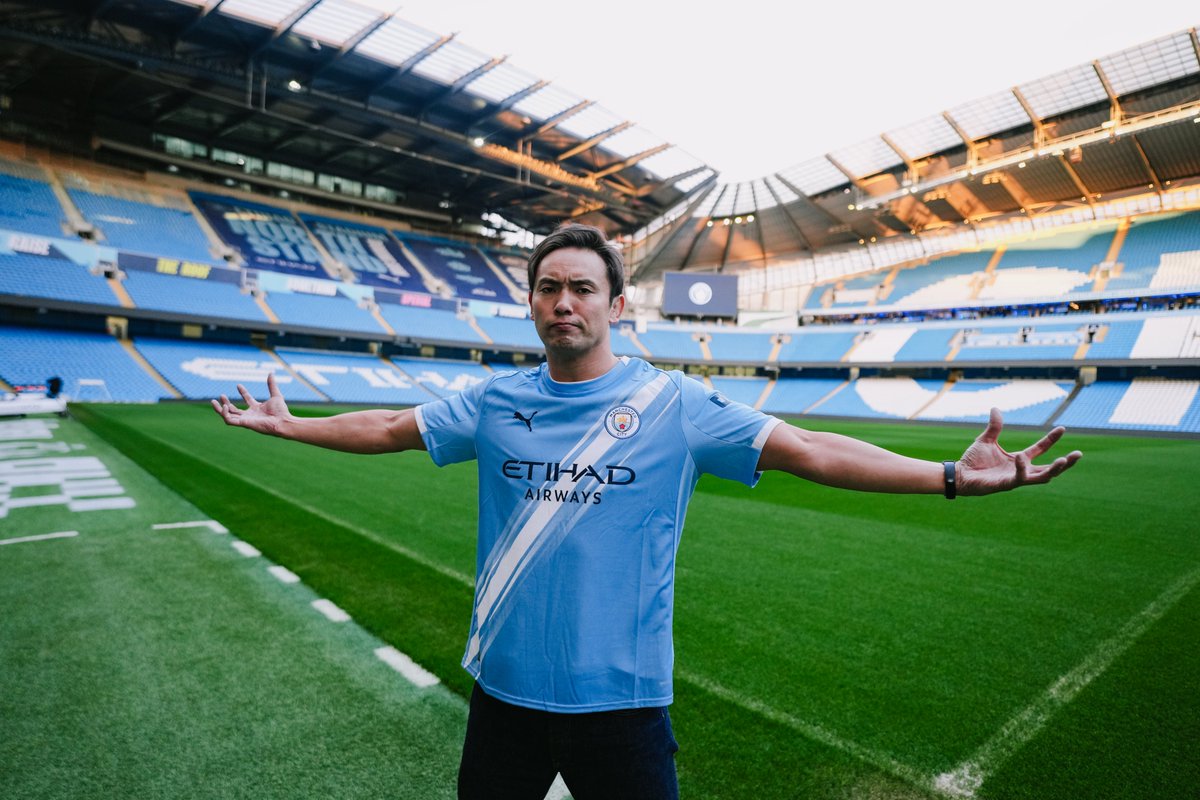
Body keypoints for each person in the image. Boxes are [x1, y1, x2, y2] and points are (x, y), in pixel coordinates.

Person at [213, 223, 1081, 800]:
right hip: (503, 696)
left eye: (583, 289)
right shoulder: (492, 401)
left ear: (616, 305)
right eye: (549, 287)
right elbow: (392, 426)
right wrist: (293, 428)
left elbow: (813, 450)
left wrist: (950, 477)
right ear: (531, 302)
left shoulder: (676, 405)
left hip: (622, 707)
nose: (564, 302)